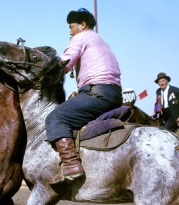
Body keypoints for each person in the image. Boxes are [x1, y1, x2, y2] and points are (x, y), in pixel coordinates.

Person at [45, 8, 122, 184]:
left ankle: (71, 165)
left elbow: (64, 63)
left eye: (71, 27)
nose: (70, 31)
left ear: (83, 25)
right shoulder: (100, 40)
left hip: (96, 92)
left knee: (55, 118)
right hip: (113, 94)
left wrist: (44, 67)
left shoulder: (81, 37)